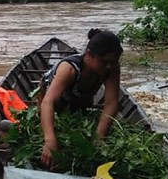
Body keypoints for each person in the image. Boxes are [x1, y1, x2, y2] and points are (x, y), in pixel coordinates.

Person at [39, 29, 123, 168]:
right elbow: (48, 102)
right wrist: (50, 140)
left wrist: (99, 136)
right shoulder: (69, 69)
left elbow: (111, 102)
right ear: (89, 54)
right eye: (105, 62)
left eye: (113, 62)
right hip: (55, 104)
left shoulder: (111, 68)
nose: (109, 66)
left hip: (80, 103)